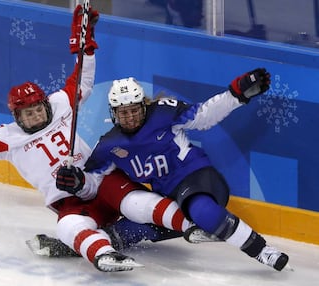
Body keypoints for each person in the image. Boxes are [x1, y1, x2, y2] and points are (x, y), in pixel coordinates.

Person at [0, 4, 209, 272]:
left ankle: (194, 225)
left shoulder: (60, 104)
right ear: (16, 117)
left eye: (37, 109)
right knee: (68, 227)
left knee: (137, 203)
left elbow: (83, 80)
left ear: (45, 103)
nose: (34, 117)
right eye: (27, 114)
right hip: (69, 202)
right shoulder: (8, 137)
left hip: (102, 180)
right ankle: (105, 254)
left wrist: (85, 45)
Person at [55, 71, 290, 271]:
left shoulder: (163, 112)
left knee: (203, 211)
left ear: (143, 105)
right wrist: (76, 181)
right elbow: (93, 181)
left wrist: (235, 95)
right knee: (136, 229)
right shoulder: (109, 145)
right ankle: (95, 243)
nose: (130, 117)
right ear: (113, 113)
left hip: (195, 177)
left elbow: (204, 116)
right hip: (169, 196)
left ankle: (263, 250)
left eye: (135, 110)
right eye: (123, 112)